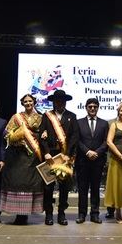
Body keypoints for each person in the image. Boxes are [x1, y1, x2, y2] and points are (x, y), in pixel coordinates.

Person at [1, 94, 45, 225]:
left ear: (34, 102)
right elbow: (6, 133)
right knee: (18, 184)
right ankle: (19, 214)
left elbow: (45, 132)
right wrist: (14, 136)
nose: (28, 103)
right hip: (18, 156)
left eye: (30, 101)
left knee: (30, 185)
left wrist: (44, 133)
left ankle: (26, 213)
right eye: (25, 101)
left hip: (33, 157)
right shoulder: (16, 117)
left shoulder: (41, 118)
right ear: (22, 103)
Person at [39, 90, 79, 225]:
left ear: (65, 101)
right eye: (57, 100)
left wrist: (67, 154)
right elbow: (41, 135)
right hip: (50, 156)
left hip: (65, 157)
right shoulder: (46, 116)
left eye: (62, 100)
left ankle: (61, 214)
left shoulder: (72, 116)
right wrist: (46, 152)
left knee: (64, 187)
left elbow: (74, 137)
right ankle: (49, 214)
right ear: (53, 102)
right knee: (48, 187)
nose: (59, 102)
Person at [75, 98, 109, 224]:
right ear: (86, 107)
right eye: (90, 106)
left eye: (95, 106)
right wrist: (87, 151)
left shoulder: (104, 123)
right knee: (82, 189)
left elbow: (106, 141)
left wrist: (97, 152)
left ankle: (95, 214)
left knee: (95, 189)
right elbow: (77, 140)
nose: (93, 108)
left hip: (98, 161)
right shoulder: (78, 122)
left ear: (98, 107)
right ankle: (81, 214)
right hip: (83, 160)